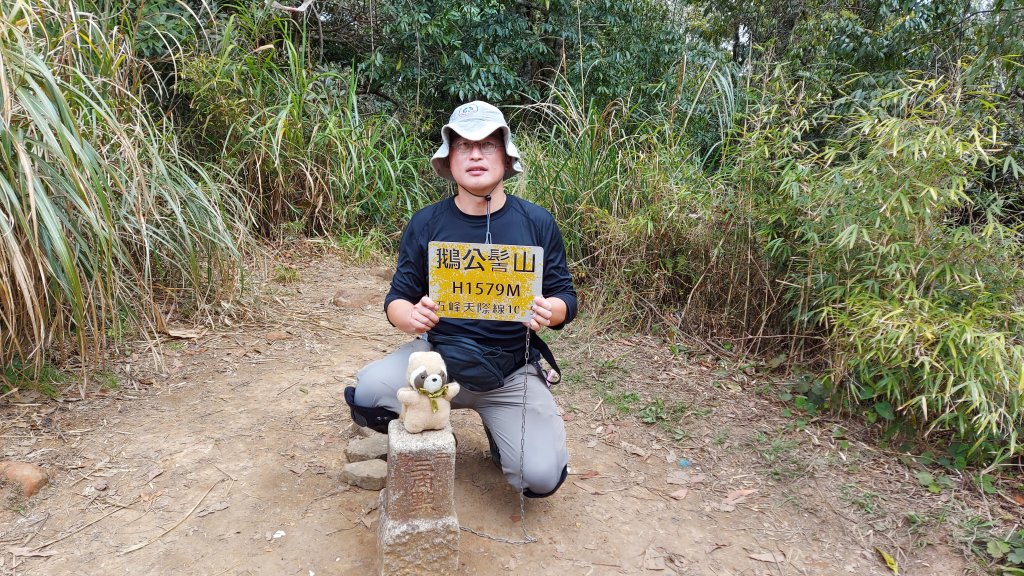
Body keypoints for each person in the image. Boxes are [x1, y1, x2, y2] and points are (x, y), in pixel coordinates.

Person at [344, 101, 577, 498]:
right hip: (437, 361)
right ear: (448, 160)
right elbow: (396, 300)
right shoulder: (427, 223)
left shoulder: (536, 222)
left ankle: (499, 427)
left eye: (487, 145)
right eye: (463, 146)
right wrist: (410, 317)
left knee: (541, 479)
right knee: (367, 395)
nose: (475, 155)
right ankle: (434, 416)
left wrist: (550, 311)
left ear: (505, 157)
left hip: (511, 371)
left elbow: (566, 298)